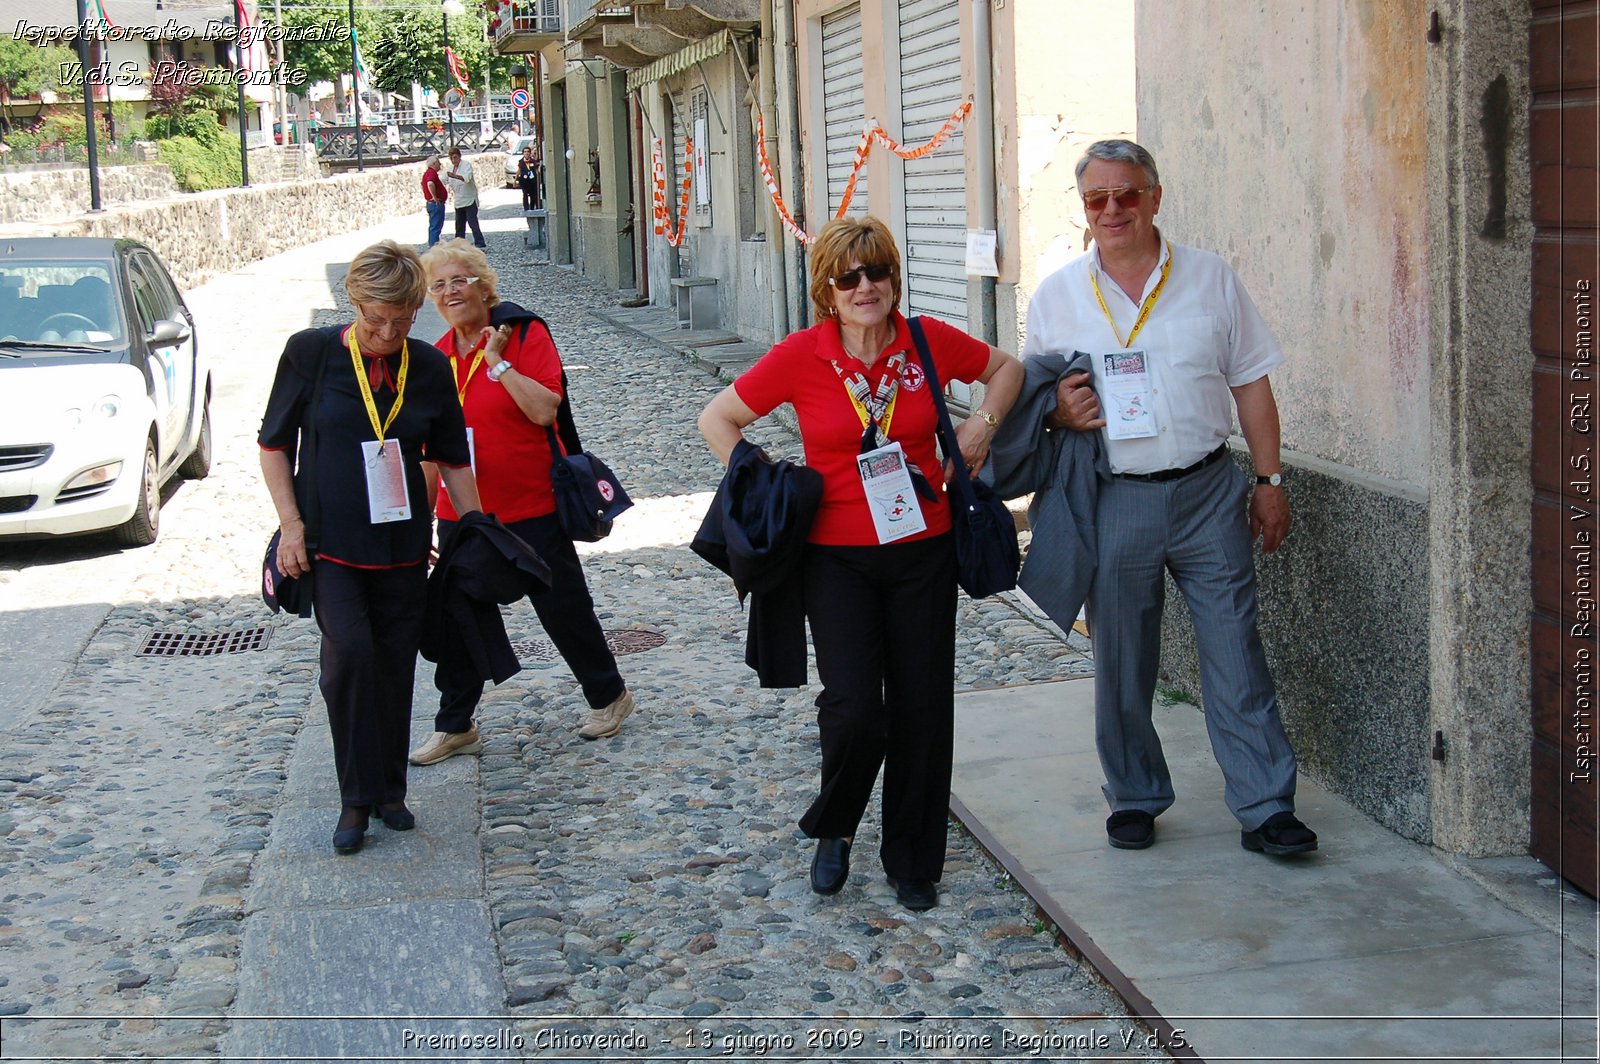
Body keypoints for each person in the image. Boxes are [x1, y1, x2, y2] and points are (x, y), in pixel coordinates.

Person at [697, 216, 1023, 912]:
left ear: (892, 278)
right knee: (852, 708)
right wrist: (758, 480)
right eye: (849, 276)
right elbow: (717, 419)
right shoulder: (801, 355)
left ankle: (913, 858)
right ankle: (836, 827)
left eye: (876, 271)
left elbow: (1006, 369)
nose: (865, 286)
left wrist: (979, 426)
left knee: (922, 705)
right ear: (828, 288)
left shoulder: (926, 342)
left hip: (923, 550)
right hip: (834, 557)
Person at [1022, 138, 1316, 857]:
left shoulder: (1211, 279)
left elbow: (1251, 382)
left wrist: (1270, 483)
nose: (1114, 209)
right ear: (1085, 209)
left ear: (1156, 196)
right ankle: (1135, 796)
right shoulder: (1058, 295)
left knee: (1235, 651)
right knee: (1122, 659)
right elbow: (1037, 397)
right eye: (1098, 199)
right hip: (1114, 497)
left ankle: (1265, 805)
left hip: (1209, 491)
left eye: (1128, 194)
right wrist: (1058, 412)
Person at [259, 240, 483, 856]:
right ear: (353, 303)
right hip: (329, 542)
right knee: (351, 656)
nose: (387, 331)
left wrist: (477, 528)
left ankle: (390, 791)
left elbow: (449, 458)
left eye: (402, 320)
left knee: (394, 661)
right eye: (374, 318)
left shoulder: (428, 368)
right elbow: (274, 445)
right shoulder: (309, 355)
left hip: (403, 544)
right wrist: (291, 526)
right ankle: (354, 798)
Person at [409, 238, 635, 766]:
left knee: (563, 607)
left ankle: (609, 695)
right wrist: (422, 524)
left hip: (530, 502)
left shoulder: (522, 333)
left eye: (459, 279)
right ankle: (456, 724)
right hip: (463, 514)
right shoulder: (435, 358)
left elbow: (545, 410)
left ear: (482, 284)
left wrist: (497, 364)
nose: (450, 292)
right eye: (438, 285)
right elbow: (426, 454)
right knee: (460, 614)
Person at [445, 147, 486, 248]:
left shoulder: (466, 165)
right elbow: (443, 178)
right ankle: (459, 245)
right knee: (459, 225)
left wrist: (455, 176)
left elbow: (467, 178)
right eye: (451, 158)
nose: (454, 160)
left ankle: (480, 243)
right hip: (459, 200)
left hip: (469, 199)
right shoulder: (450, 168)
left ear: (459, 156)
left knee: (473, 223)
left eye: (455, 157)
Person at [421, 155, 448, 248]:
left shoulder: (428, 173)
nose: (440, 164)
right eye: (438, 162)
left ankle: (433, 246)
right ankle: (434, 248)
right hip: (435, 204)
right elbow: (430, 183)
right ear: (434, 164)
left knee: (434, 226)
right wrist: (435, 197)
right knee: (436, 227)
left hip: (432, 203)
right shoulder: (432, 173)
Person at [517, 144, 541, 211]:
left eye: (528, 151)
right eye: (525, 152)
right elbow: (518, 171)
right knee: (525, 194)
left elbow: (536, 170)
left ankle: (532, 208)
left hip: (532, 181)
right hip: (524, 181)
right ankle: (526, 208)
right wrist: (515, 180)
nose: (526, 153)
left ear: (530, 153)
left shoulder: (533, 161)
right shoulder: (521, 162)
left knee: (533, 195)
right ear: (523, 153)